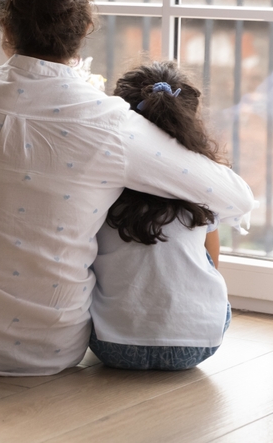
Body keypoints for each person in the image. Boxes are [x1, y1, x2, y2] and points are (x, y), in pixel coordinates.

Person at [0, 0, 255, 377]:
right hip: (49, 351)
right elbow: (236, 196)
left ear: (5, 27)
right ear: (84, 33)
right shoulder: (112, 123)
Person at [89, 61, 238, 371]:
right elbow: (213, 258)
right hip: (199, 343)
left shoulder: (103, 177)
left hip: (113, 346)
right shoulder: (202, 181)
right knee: (200, 256)